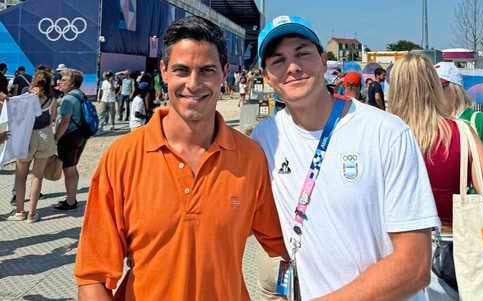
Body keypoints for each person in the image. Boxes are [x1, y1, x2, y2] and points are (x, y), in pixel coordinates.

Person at [74, 16, 285, 301]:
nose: (193, 84)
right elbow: (93, 277)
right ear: (164, 71)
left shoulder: (250, 158)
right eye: (182, 70)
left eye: (207, 70)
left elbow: (288, 245)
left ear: (224, 73)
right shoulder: (123, 157)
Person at [253, 15, 440, 300]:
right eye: (278, 60)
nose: (292, 67)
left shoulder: (386, 133)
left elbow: (415, 265)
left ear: (323, 60)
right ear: (266, 76)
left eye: (302, 53)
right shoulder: (266, 139)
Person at [388, 53, 483, 299]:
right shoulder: (462, 133)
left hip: (393, 254)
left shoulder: (384, 135)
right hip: (455, 253)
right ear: (434, 86)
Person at [436, 61, 483, 234]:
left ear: (454, 88)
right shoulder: (430, 126)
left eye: (438, 86)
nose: (431, 93)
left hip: (474, 225)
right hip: (437, 229)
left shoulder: (478, 122)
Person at [7, 70, 57, 223]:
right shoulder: (52, 97)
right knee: (37, 176)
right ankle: (32, 214)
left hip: (26, 136)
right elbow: (52, 119)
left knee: (20, 176)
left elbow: (16, 112)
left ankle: (20, 212)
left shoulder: (25, 93)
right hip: (45, 135)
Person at [54, 68, 87, 211]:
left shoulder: (68, 99)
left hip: (69, 137)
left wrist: (56, 138)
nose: (60, 82)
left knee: (68, 169)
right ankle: (72, 197)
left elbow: (65, 122)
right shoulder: (80, 95)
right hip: (80, 135)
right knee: (72, 167)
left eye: (64, 80)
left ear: (73, 83)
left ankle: (71, 201)